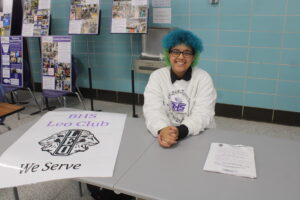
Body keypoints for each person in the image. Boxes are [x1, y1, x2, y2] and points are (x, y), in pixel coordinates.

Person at [143, 29, 217, 148]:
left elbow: (203, 114)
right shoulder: (157, 76)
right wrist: (162, 129)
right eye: (176, 51)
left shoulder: (203, 78)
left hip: (197, 133)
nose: (181, 57)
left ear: (194, 57)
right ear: (168, 54)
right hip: (167, 134)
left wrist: (180, 131)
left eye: (187, 53)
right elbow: (152, 109)